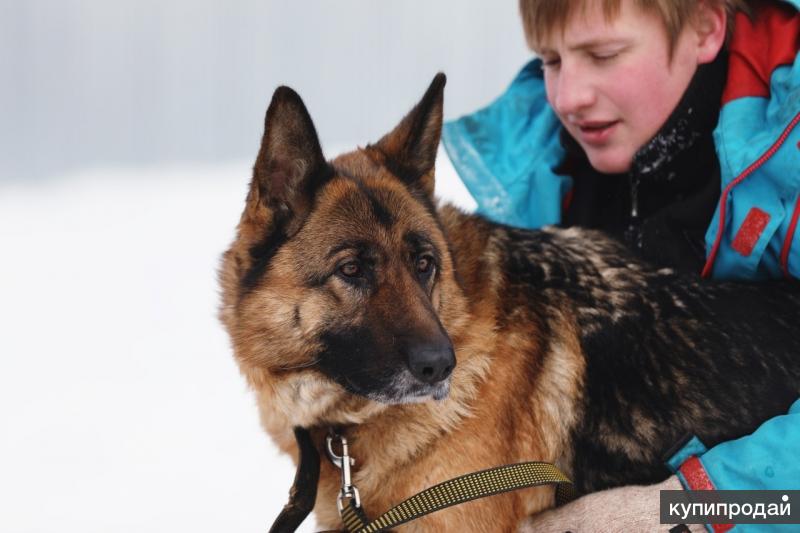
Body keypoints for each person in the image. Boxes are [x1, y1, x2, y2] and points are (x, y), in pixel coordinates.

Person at [442, 0, 800, 531]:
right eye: (551, 61)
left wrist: (688, 508)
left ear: (705, 28)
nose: (569, 97)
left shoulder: (785, 159)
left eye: (603, 55)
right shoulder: (530, 175)